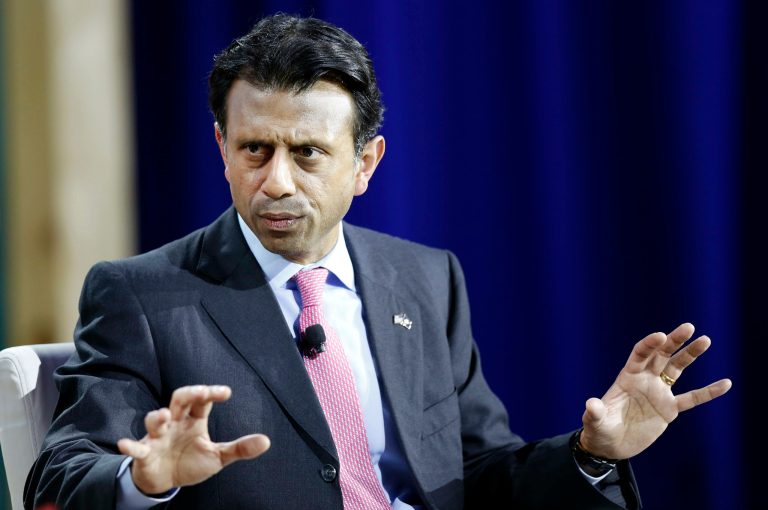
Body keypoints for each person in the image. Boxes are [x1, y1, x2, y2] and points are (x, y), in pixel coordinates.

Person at [24, 14, 731, 510]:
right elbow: (58, 476)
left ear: (365, 162)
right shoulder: (142, 294)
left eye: (306, 153)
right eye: (254, 150)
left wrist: (591, 451)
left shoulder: (424, 279)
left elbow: (477, 475)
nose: (275, 181)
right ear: (222, 148)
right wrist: (145, 479)